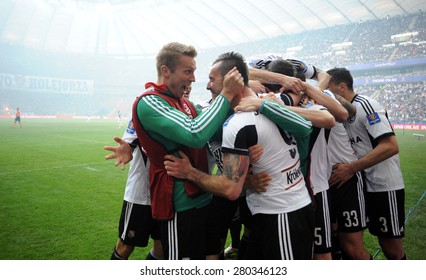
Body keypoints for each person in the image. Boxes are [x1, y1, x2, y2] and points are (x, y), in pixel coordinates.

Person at [164, 52, 315, 260]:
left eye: (211, 79)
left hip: (281, 212)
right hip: (286, 205)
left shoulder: (239, 123)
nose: (207, 86)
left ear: (231, 80)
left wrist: (190, 173)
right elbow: (306, 128)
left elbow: (230, 188)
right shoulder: (271, 103)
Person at [130, 42, 244, 260]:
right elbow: (195, 133)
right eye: (188, 71)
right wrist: (227, 93)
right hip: (179, 205)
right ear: (165, 70)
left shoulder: (184, 103)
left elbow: (211, 128)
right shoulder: (150, 102)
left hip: (203, 196)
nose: (193, 78)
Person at [327, 67, 407, 260]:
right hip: (363, 186)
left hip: (384, 185)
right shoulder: (341, 113)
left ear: (342, 87)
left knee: (391, 247)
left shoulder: (367, 105)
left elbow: (390, 146)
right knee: (352, 243)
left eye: (329, 89)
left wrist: (352, 168)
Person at [104, 119, 163, 260]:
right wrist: (127, 149)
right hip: (140, 194)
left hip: (165, 195)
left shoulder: (185, 112)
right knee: (125, 246)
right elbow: (128, 142)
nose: (186, 94)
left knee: (162, 248)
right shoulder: (143, 110)